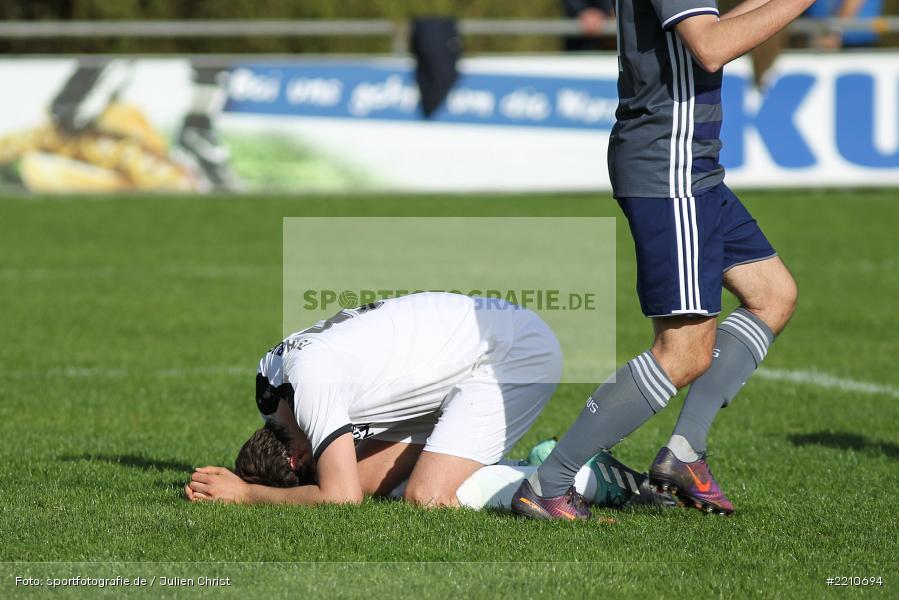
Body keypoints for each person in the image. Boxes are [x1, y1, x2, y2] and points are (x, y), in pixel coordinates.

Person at [512, 0, 803, 520]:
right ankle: (549, 483)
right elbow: (711, 47)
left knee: (773, 294)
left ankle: (685, 453)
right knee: (684, 351)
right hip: (669, 169)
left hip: (694, 167)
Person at [186, 292, 566, 508]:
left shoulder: (313, 386)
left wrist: (249, 494)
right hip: (464, 349)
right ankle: (530, 460)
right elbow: (354, 486)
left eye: (310, 466)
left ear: (298, 457)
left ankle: (574, 476)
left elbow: (341, 499)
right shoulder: (271, 393)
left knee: (428, 497)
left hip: (511, 354)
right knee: (365, 479)